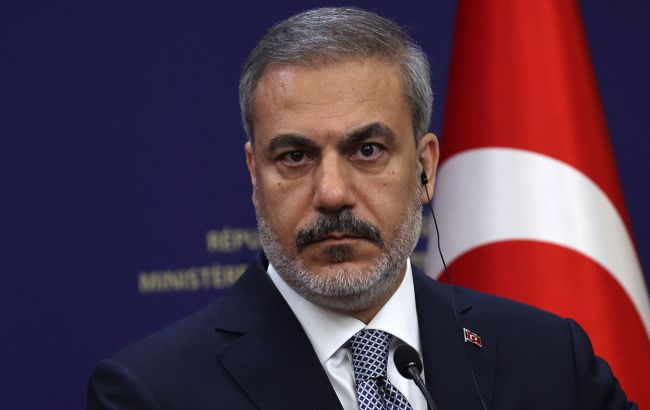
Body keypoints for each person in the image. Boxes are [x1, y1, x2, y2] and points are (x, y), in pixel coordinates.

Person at [87, 7, 636, 409]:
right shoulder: (151, 393)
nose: (331, 193)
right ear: (254, 175)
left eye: (367, 150)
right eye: (295, 156)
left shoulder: (549, 359)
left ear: (425, 166)